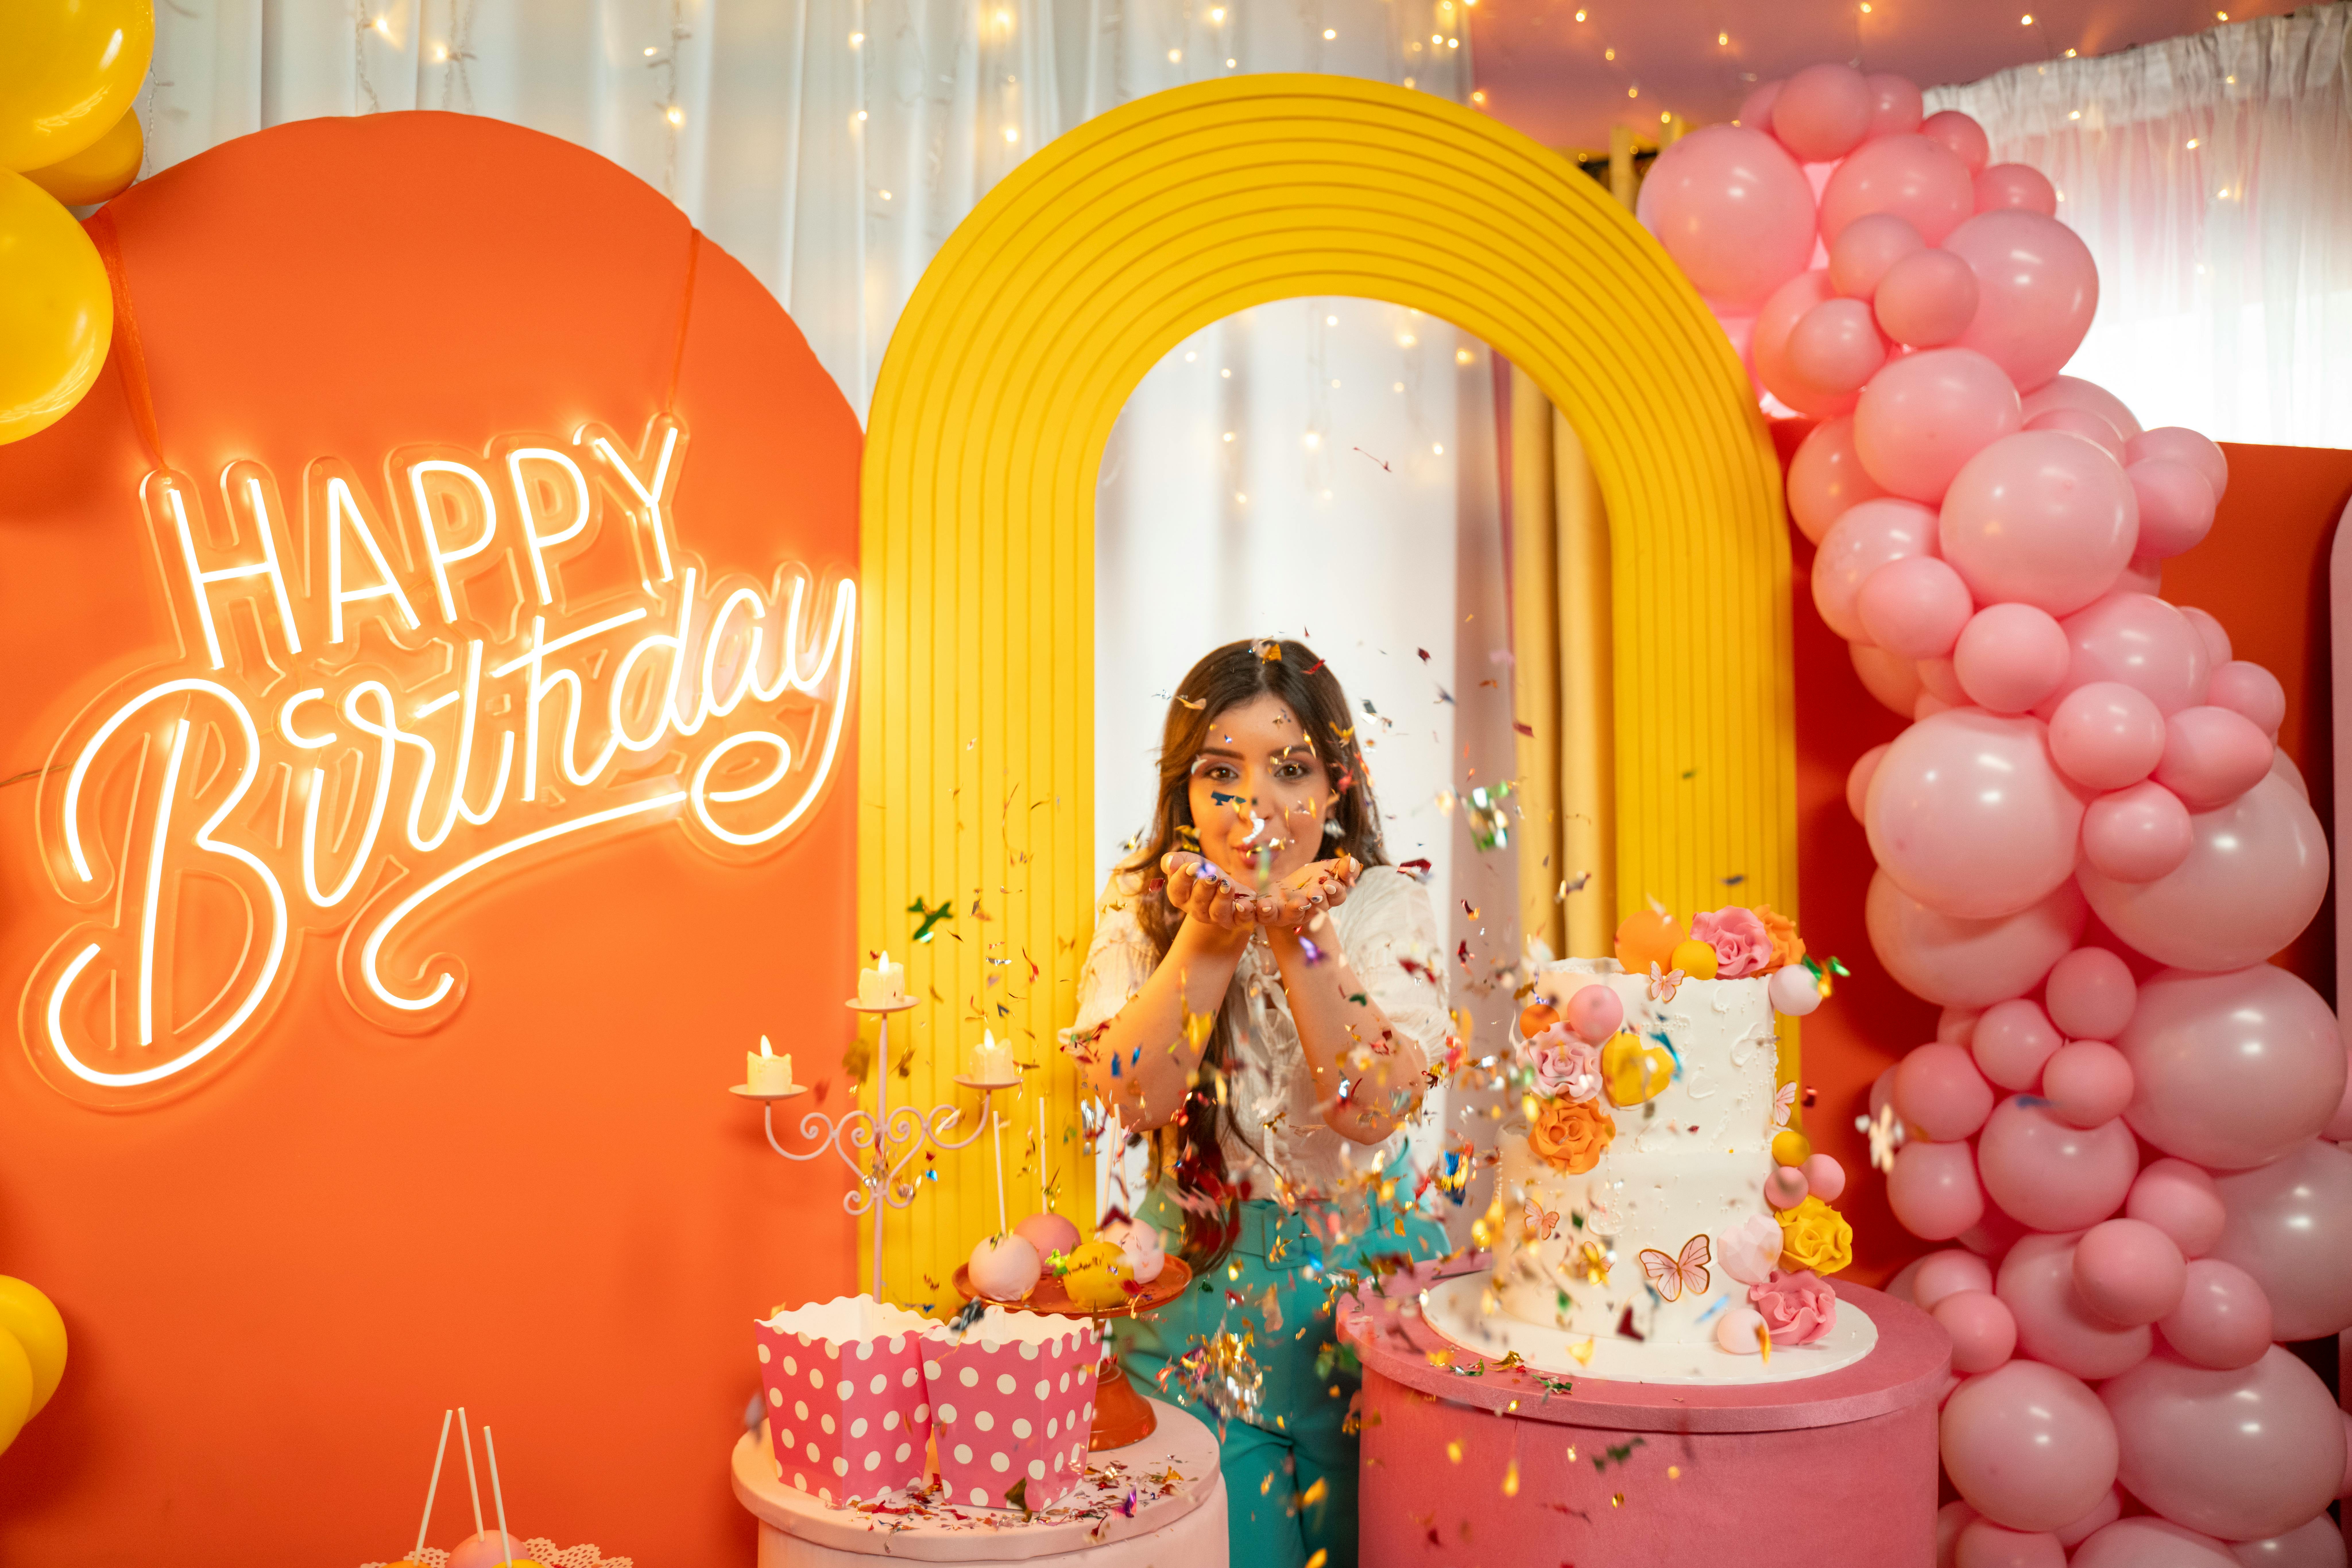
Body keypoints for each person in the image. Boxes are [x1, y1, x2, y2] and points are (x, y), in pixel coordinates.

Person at [1068, 636, 1451, 1568]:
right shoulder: (1138, 901)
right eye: (1221, 774)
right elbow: (1134, 1101)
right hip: (1198, 1295)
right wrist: (1208, 927)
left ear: (1337, 783)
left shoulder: (1386, 905)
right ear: (1187, 795)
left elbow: (1369, 1109)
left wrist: (1301, 928)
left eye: (1290, 770)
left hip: (1373, 1302)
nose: (1258, 809)